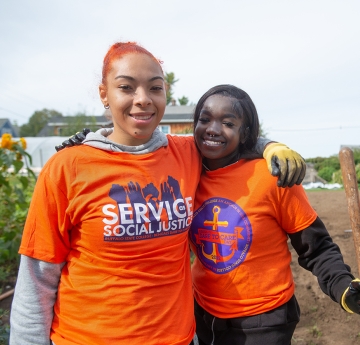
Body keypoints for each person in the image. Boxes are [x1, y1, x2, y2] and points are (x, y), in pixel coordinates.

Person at [10, 42, 305, 345]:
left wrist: (271, 147)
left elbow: (230, 138)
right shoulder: (68, 167)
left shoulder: (186, 154)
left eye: (154, 88)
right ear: (104, 95)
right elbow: (37, 278)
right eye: (126, 87)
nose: (143, 100)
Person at [188, 84, 360, 345]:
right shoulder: (186, 172)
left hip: (264, 321)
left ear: (245, 133)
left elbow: (317, 248)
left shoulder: (273, 177)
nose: (212, 129)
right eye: (204, 119)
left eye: (227, 122)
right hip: (202, 314)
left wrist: (343, 287)